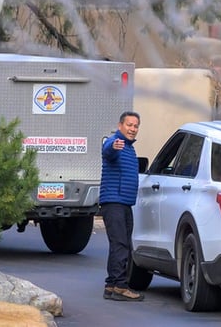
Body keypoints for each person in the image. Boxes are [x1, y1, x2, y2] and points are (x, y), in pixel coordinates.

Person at [99, 110, 144, 301]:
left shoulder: (129, 148)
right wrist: (114, 145)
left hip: (123, 203)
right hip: (114, 202)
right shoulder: (116, 143)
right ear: (120, 126)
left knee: (118, 244)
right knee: (121, 244)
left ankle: (111, 285)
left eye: (136, 126)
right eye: (129, 125)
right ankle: (120, 287)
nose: (133, 129)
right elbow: (107, 149)